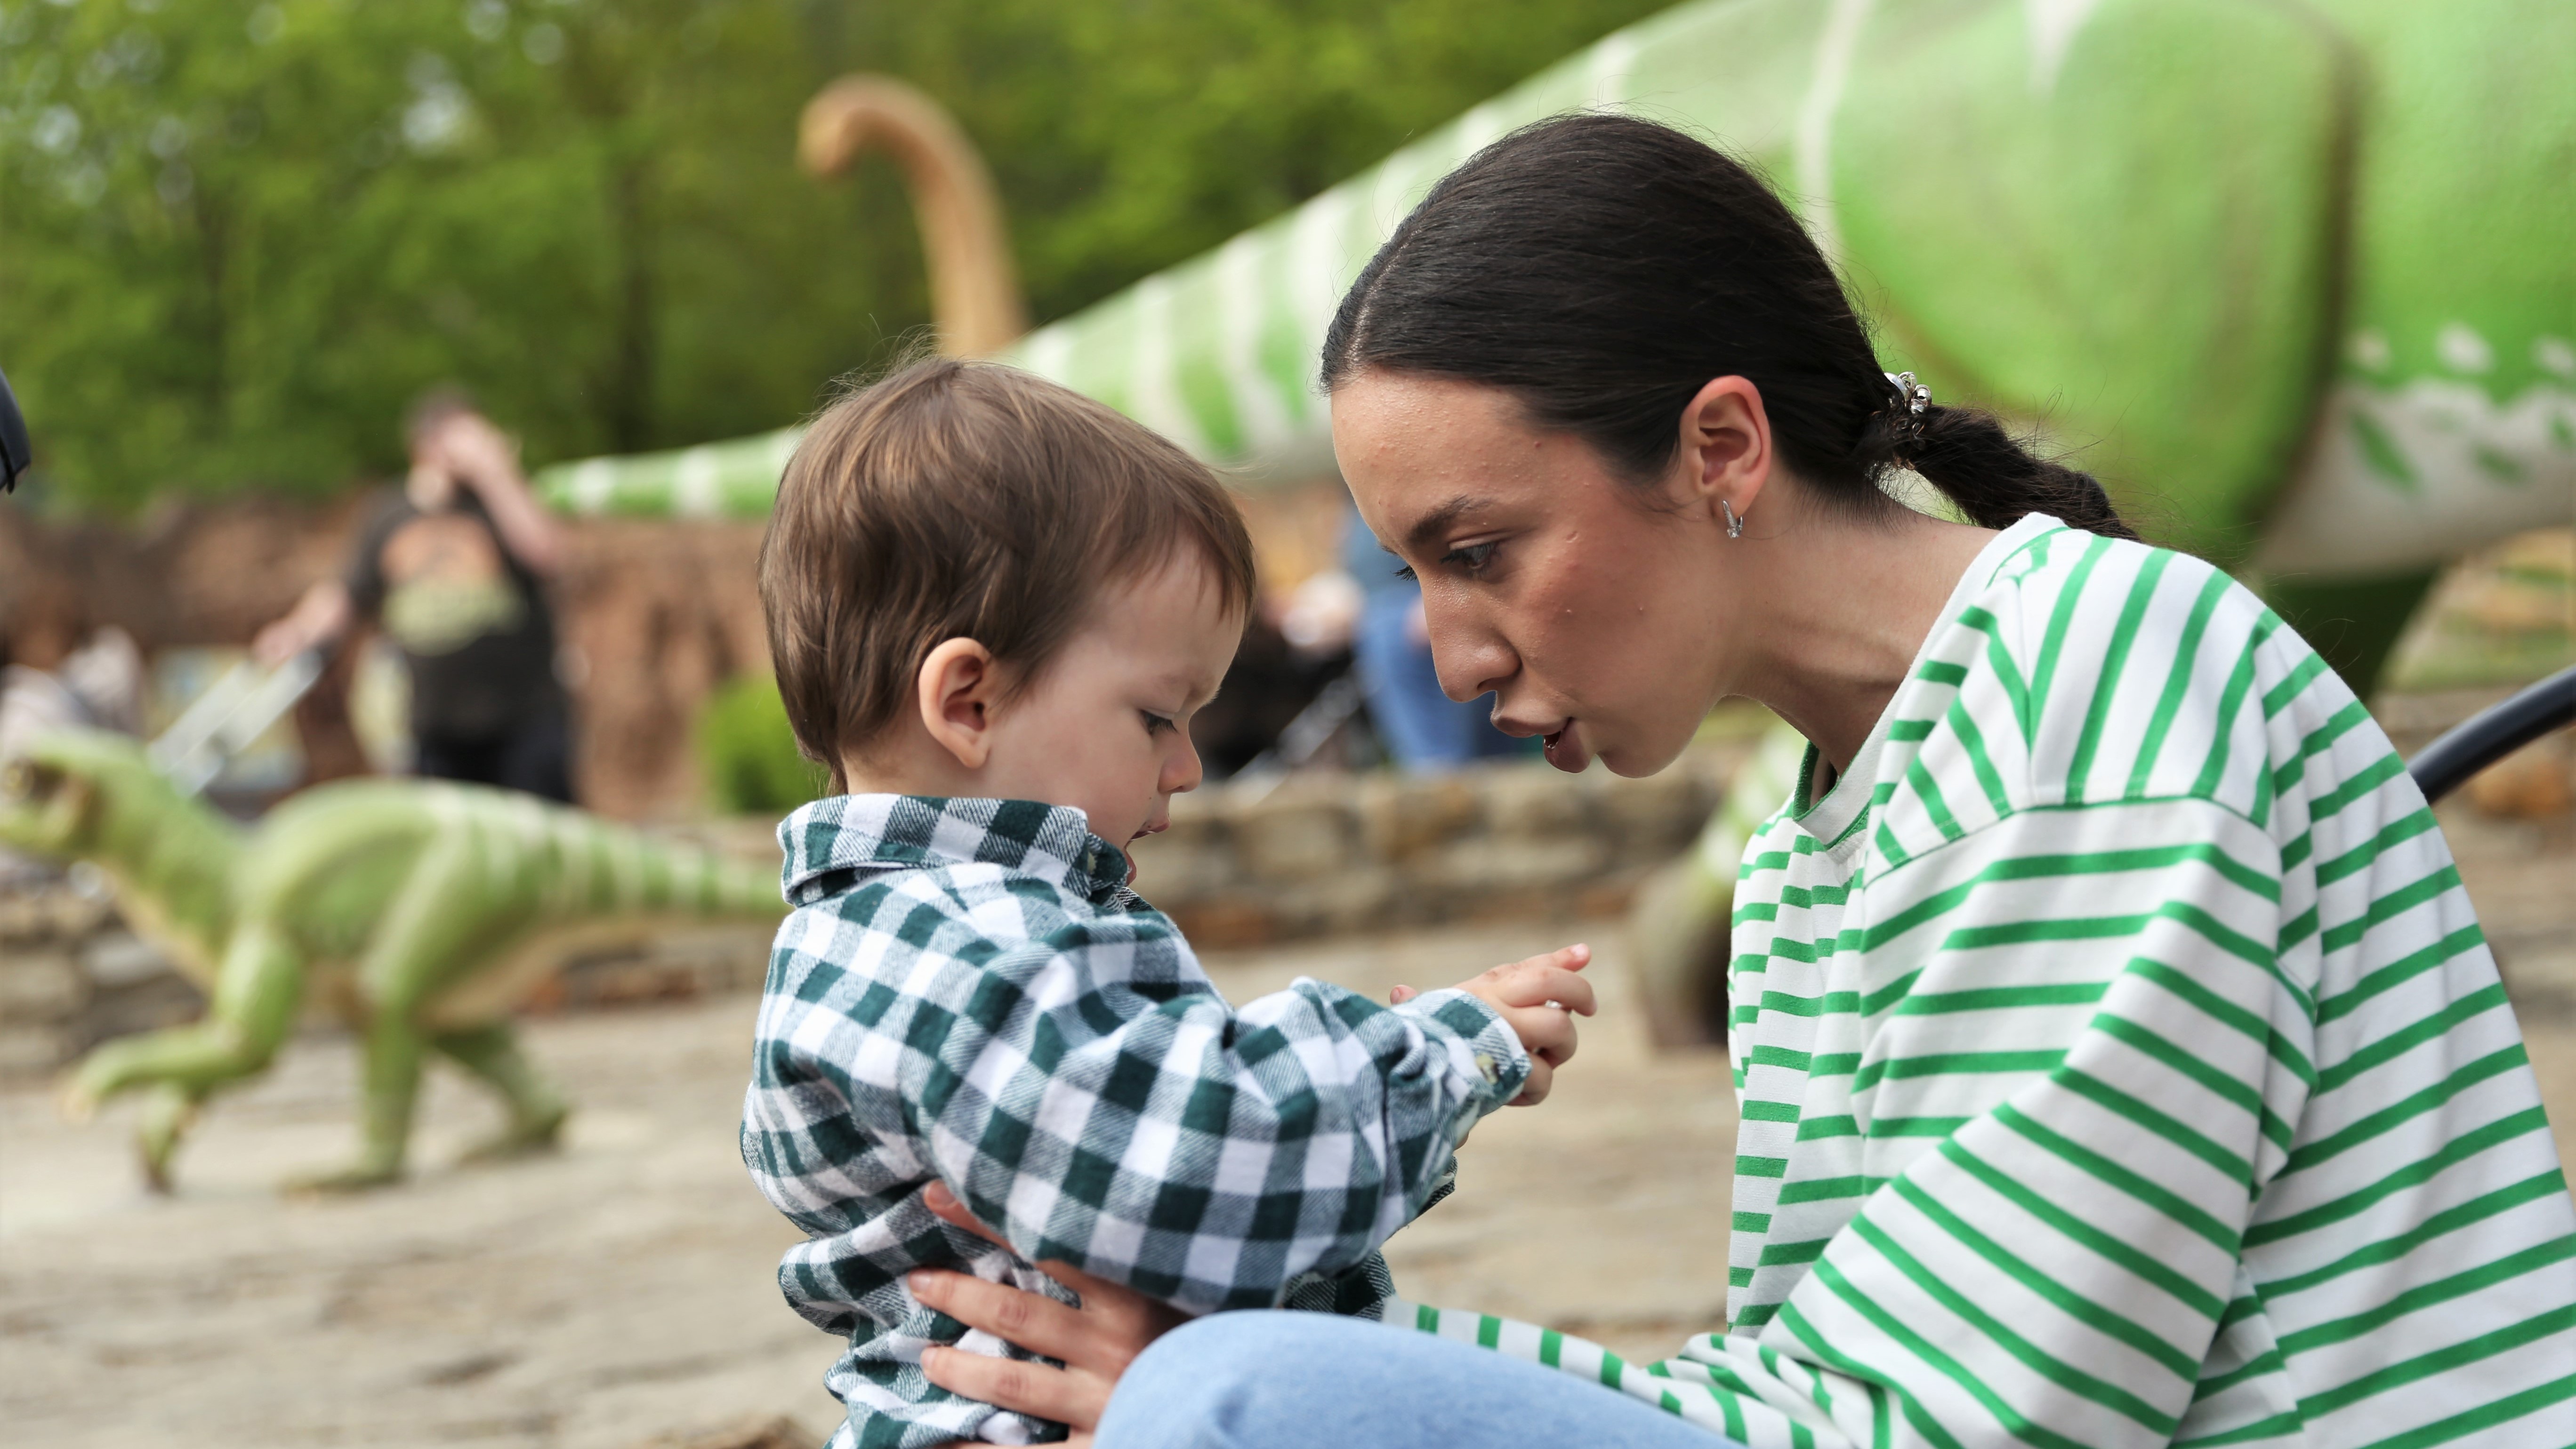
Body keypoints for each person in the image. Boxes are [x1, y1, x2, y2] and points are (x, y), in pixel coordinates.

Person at [893, 115, 2576, 1448]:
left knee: (1225, 1410)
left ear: (1719, 447)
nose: (1451, 650)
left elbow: (1947, 1424)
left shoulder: (2100, 694)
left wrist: (1278, 1364)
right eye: (1412, 574)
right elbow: (1814, 1376)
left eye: (1476, 549)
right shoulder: (1805, 835)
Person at [740, 358, 1596, 1448]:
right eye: (1155, 716)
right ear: (969, 699)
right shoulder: (977, 945)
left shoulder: (859, 938)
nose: (1187, 764)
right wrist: (1438, 1052)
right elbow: (1207, 1170)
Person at [254, 390, 574, 802]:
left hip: (525, 726)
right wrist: (298, 630)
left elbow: (548, 556)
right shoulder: (390, 513)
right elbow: (348, 593)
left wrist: (498, 475)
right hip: (438, 733)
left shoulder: (498, 504)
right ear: (427, 444)